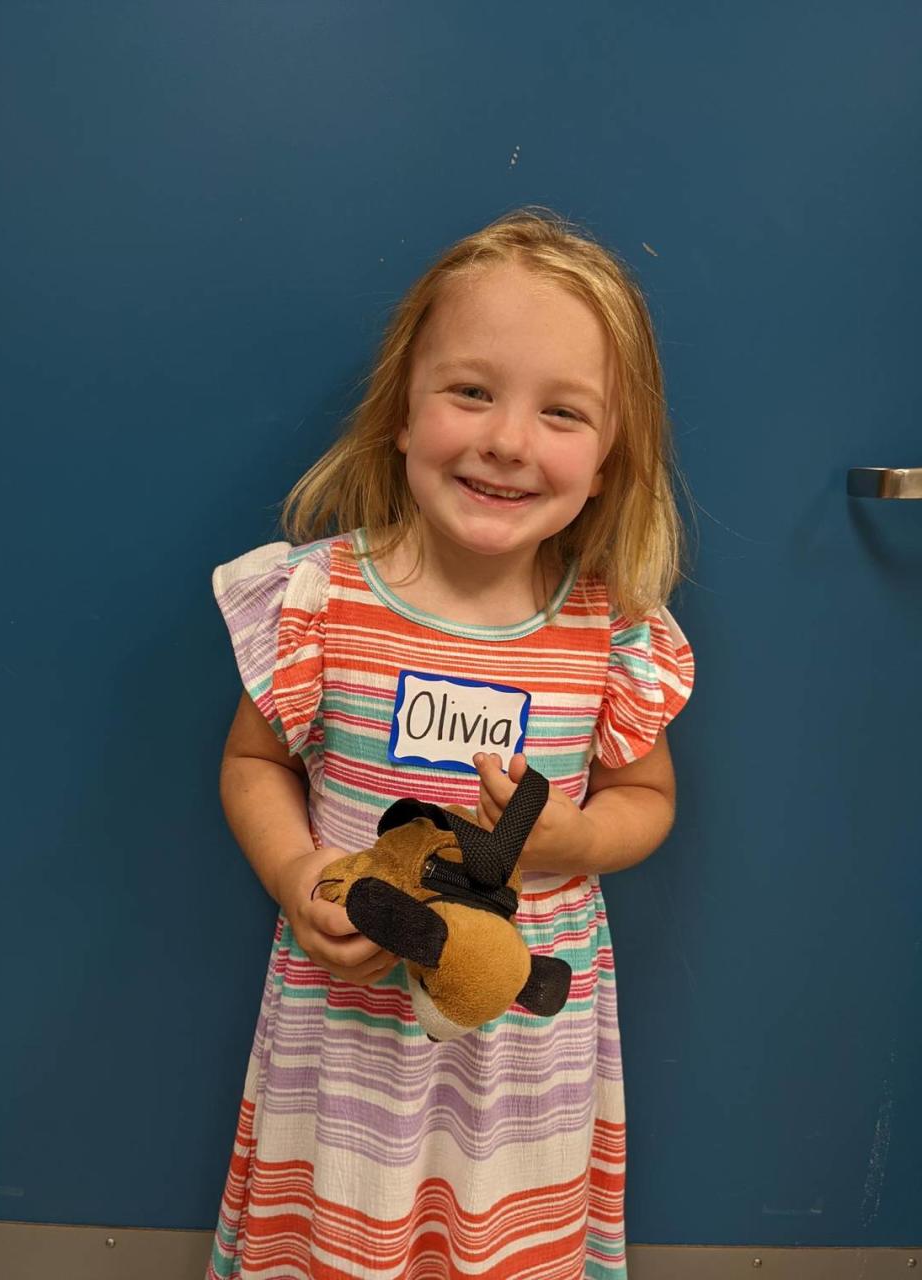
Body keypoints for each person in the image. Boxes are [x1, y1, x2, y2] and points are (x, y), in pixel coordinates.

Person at [206, 208, 694, 1280]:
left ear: (611, 461)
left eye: (561, 412)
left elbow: (649, 796)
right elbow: (253, 763)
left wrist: (573, 840)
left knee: (506, 1248)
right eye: (471, 391)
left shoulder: (609, 631)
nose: (507, 440)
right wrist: (296, 872)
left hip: (523, 1049)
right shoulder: (320, 599)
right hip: (348, 1025)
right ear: (402, 414)